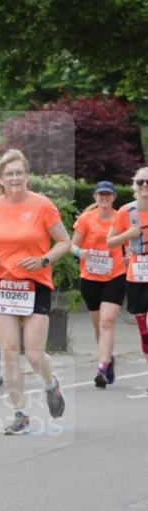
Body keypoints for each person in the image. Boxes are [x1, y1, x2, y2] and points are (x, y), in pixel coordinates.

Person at [0, 149, 71, 435]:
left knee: (33, 353)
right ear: (1, 179)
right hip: (4, 285)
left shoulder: (42, 205)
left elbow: (64, 242)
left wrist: (43, 260)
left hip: (35, 285)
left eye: (19, 173)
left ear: (27, 176)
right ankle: (20, 414)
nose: (14, 178)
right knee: (8, 351)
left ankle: (51, 383)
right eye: (9, 174)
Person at [71, 181, 126, 388]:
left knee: (107, 322)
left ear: (113, 197)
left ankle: (102, 366)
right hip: (90, 278)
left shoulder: (121, 216)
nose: (104, 198)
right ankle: (109, 358)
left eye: (108, 195)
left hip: (115, 275)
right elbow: (71, 245)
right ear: (95, 197)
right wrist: (80, 253)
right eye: (100, 195)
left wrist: (129, 255)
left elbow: (129, 241)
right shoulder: (86, 219)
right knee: (98, 326)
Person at [107, 165, 148, 390]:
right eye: (140, 182)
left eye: (147, 182)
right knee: (144, 332)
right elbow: (110, 241)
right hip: (137, 275)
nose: (144, 186)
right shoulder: (126, 211)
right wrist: (128, 235)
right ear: (135, 185)